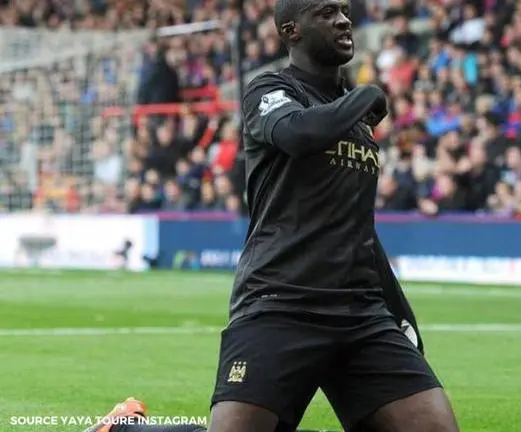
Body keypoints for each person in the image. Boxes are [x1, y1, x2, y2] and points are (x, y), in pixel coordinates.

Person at [85, 0, 459, 431]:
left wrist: (400, 311)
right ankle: (125, 428)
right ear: (290, 31)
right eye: (324, 12)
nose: (342, 19)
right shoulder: (270, 91)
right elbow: (298, 133)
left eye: (343, 10)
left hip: (360, 315)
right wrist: (366, 96)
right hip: (281, 302)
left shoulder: (352, 116)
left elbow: (358, 226)